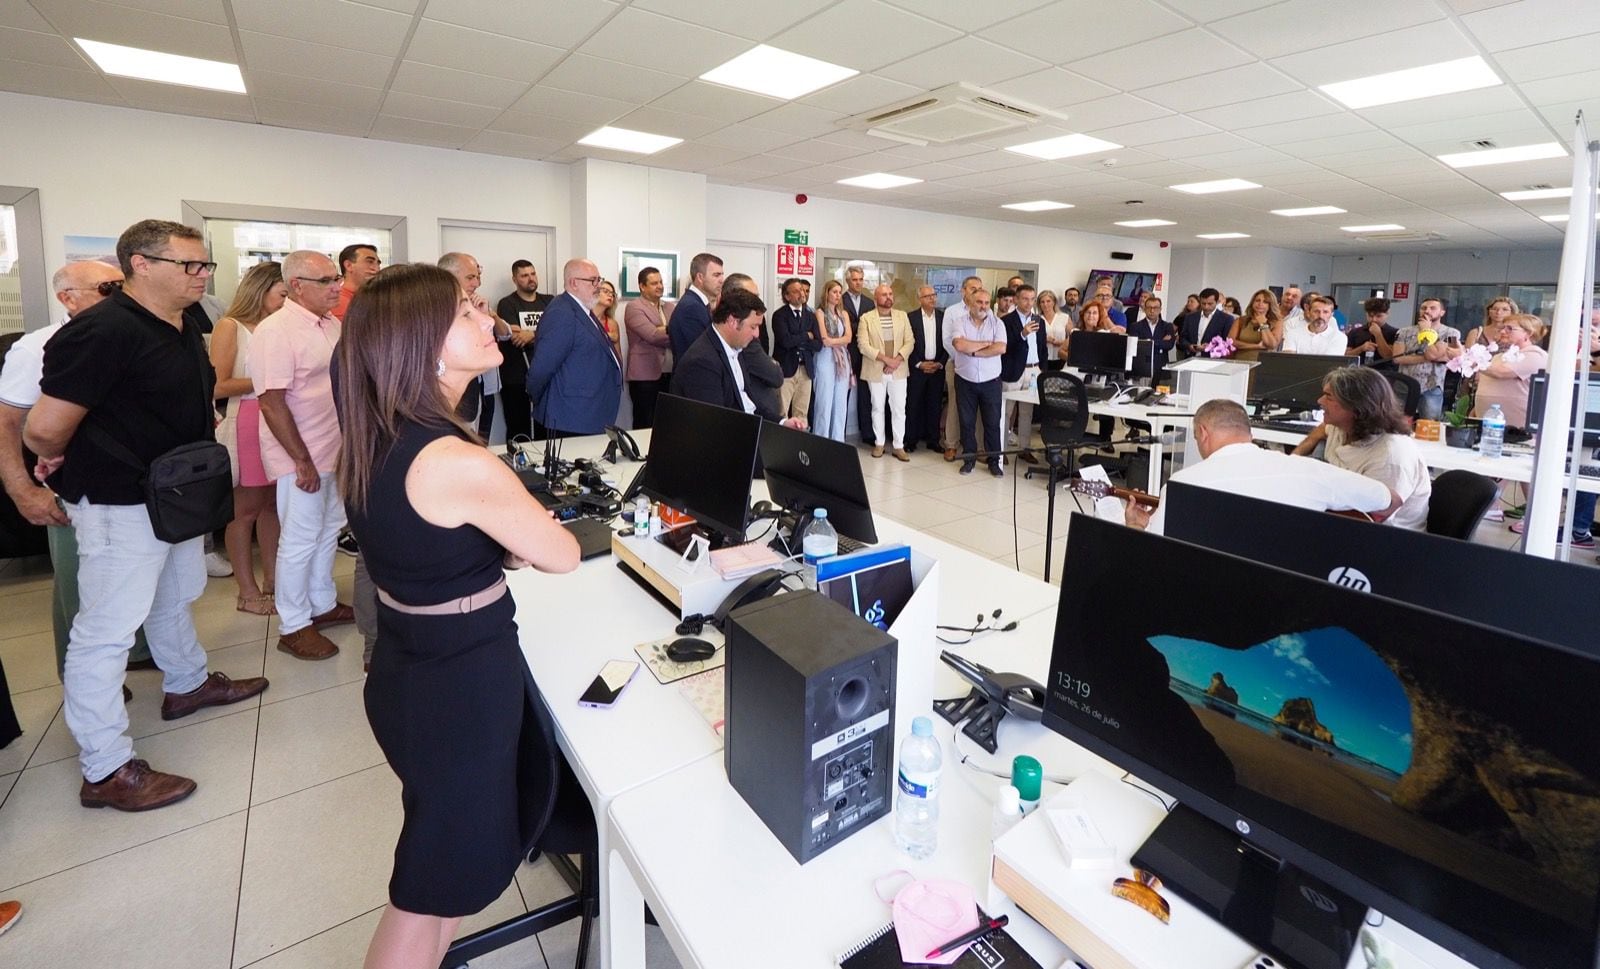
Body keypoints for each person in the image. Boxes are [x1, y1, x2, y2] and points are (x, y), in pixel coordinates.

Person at [335, 262, 581, 969]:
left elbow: (422, 542)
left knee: (444, 874)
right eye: (467, 311)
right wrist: (524, 533)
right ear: (423, 345)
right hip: (460, 686)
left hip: (412, 665)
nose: (487, 319)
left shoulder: (381, 429)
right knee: (428, 889)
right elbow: (560, 554)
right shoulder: (454, 457)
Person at [25, 218, 269, 810]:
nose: (203, 275)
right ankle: (105, 768)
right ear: (141, 264)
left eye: (204, 265)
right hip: (119, 501)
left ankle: (185, 685)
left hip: (174, 494)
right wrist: (59, 457)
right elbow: (42, 428)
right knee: (105, 633)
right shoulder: (102, 331)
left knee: (173, 596)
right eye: (190, 265)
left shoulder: (182, 324)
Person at [1, 259, 160, 683]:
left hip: (132, 488)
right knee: (79, 590)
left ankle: (137, 653)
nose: (120, 296)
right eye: (108, 288)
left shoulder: (135, 335)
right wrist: (23, 491)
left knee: (138, 583)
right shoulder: (39, 346)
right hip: (75, 489)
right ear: (66, 297)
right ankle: (84, 683)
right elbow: (7, 422)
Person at [250, 250, 356, 660]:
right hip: (302, 455)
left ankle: (322, 602)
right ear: (296, 285)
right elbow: (271, 402)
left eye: (336, 279)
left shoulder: (332, 325)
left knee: (329, 528)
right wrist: (301, 460)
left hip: (335, 448)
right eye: (327, 280)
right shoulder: (275, 331)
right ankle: (293, 624)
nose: (337, 287)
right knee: (298, 538)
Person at [1125, 399, 1395, 535]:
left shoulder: (1183, 484)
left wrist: (1138, 525)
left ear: (1203, 433)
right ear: (1249, 432)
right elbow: (1388, 499)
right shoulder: (1308, 470)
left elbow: (1156, 549)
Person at [210, 261, 285, 615]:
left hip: (278, 418)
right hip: (249, 420)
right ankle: (247, 591)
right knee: (245, 510)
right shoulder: (231, 326)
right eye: (283, 293)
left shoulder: (279, 327)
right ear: (262, 289)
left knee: (273, 506)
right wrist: (271, 381)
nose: (287, 300)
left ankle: (273, 581)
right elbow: (218, 384)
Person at [1293, 368, 1431, 530]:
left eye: (1329, 397)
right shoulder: (1341, 426)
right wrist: (1295, 458)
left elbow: (1368, 519)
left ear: (1357, 406)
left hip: (1385, 540)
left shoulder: (1391, 457)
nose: (1320, 401)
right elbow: (1322, 430)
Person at [525, 259, 623, 437]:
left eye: (599, 280)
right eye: (593, 281)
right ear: (573, 283)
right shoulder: (562, 313)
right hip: (569, 417)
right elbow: (542, 368)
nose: (598, 286)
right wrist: (538, 398)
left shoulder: (582, 310)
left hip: (586, 414)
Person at [439, 253, 513, 438]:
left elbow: (505, 334)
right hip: (456, 393)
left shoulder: (480, 304)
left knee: (480, 439)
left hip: (482, 387)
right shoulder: (439, 313)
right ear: (449, 277)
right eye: (470, 277)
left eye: (478, 277)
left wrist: (489, 315)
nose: (477, 283)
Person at [946, 287, 1007, 477]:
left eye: (986, 303)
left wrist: (972, 351)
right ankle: (969, 460)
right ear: (970, 304)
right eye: (979, 302)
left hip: (991, 382)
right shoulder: (959, 321)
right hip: (966, 381)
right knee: (967, 422)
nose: (983, 306)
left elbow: (1001, 348)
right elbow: (959, 345)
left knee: (992, 423)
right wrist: (985, 345)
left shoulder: (998, 323)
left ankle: (994, 462)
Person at [1368, 296, 1461, 419]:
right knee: (1397, 422)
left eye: (1433, 308)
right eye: (1423, 308)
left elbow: (1434, 354)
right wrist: (1434, 357)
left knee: (1429, 424)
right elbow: (1397, 358)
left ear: (1442, 312)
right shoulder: (1404, 332)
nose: (1427, 311)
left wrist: (1426, 331)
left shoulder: (1451, 333)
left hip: (1432, 385)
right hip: (1404, 384)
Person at [857, 283, 915, 460]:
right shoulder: (866, 318)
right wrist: (886, 359)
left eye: (890, 294)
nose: (888, 297)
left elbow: (910, 341)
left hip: (898, 369)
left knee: (899, 408)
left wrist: (896, 361)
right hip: (876, 369)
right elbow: (863, 346)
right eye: (884, 294)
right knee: (877, 407)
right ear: (876, 299)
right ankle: (879, 443)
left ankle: (898, 445)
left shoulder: (902, 316)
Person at [494, 259, 549, 441]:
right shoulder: (507, 304)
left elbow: (557, 332)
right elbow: (516, 337)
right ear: (515, 279)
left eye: (533, 274)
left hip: (545, 378)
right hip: (516, 379)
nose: (530, 278)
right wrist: (541, 333)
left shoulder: (549, 301)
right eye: (524, 275)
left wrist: (531, 334)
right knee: (519, 430)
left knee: (545, 429)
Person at [1473, 313, 1547, 429]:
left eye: (1509, 328)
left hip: (1516, 427)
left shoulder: (1535, 355)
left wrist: (1470, 360)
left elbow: (1501, 372)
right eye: (1503, 328)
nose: (1503, 332)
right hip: (1488, 424)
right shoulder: (1499, 357)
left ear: (1528, 333)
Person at [1000, 283, 1046, 464]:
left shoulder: (1039, 320)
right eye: (1025, 299)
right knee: (1007, 412)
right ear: (1017, 300)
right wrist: (1022, 334)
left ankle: (1024, 449)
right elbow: (1006, 346)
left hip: (1034, 370)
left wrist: (1042, 368)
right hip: (1013, 370)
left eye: (1032, 299)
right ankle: (1001, 450)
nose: (1028, 303)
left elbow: (1042, 347)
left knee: (1027, 412)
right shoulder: (1006, 321)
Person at [623, 265, 670, 429]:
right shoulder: (634, 307)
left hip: (669, 375)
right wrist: (671, 329)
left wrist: (661, 330)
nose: (660, 286)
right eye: (654, 283)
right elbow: (652, 335)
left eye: (661, 282)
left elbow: (679, 334)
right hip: (645, 376)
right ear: (642, 286)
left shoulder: (669, 306)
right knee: (645, 422)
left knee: (665, 424)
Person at [772, 277, 820, 425]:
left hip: (806, 369)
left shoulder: (810, 315)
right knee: (782, 411)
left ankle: (800, 443)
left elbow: (818, 344)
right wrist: (806, 336)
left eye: (802, 290)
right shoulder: (780, 315)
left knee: (802, 412)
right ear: (787, 296)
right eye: (796, 291)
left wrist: (798, 341)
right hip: (786, 369)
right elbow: (785, 342)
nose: (802, 294)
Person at [905, 285, 946, 452]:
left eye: (934, 295)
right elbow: (907, 343)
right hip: (917, 368)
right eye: (928, 296)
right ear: (920, 299)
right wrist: (919, 364)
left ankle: (933, 440)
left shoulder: (944, 318)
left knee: (934, 405)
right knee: (913, 404)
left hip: (937, 368)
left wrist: (940, 363)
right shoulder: (910, 318)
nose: (932, 299)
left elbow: (948, 343)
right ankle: (911, 440)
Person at [812, 280, 853, 442]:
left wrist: (835, 341)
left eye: (839, 292)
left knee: (840, 402)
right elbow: (824, 340)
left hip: (842, 359)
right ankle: (821, 439)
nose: (837, 295)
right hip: (825, 358)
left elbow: (848, 338)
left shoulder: (844, 314)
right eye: (834, 292)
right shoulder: (820, 313)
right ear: (827, 293)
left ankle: (837, 440)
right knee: (824, 400)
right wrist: (838, 341)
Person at [669, 252, 722, 363]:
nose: (721, 280)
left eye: (722, 275)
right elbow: (703, 352)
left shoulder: (698, 304)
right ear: (700, 277)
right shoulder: (691, 307)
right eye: (716, 275)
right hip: (693, 376)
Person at [1126, 294, 1177, 377]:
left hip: (1160, 367)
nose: (1152, 311)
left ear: (1160, 309)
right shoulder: (1135, 326)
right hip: (1141, 366)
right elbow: (1137, 345)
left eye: (1155, 308)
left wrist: (1148, 342)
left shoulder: (1167, 326)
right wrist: (1160, 342)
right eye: (1149, 308)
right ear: (1145, 309)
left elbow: (1169, 345)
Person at [1280, 295, 1347, 356]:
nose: (1321, 316)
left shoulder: (1339, 337)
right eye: (1316, 311)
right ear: (1308, 312)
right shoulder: (1292, 334)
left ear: (1331, 315)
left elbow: (1331, 364)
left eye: (1325, 312)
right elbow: (1289, 361)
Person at [1227, 288, 1282, 362]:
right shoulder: (1241, 320)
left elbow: (1271, 345)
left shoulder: (1277, 322)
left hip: (1264, 365)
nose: (1260, 304)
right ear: (1252, 302)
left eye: (1265, 302)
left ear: (1270, 305)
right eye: (1257, 300)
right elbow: (1230, 341)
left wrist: (1263, 324)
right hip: (1240, 363)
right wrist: (1256, 346)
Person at [1346, 297, 1400, 370]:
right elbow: (1346, 356)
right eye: (1370, 316)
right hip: (1359, 372)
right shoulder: (1355, 332)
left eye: (1378, 316)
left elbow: (1389, 356)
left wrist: (1378, 334)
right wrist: (1361, 348)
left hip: (1385, 374)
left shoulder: (1395, 332)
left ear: (1387, 314)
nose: (1374, 319)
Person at [1178, 287, 1233, 357]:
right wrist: (1189, 346)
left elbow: (1228, 342)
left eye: (1210, 304)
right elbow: (1183, 338)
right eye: (1203, 303)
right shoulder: (1190, 317)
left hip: (1214, 359)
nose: (1206, 307)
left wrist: (1211, 347)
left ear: (1217, 302)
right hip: (1191, 358)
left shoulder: (1226, 319)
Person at [332, 243, 381, 322]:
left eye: (378, 263)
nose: (377, 269)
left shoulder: (374, 299)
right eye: (370, 262)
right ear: (348, 266)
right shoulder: (336, 302)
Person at [1039, 289, 1070, 370]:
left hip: (1061, 358)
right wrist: (1044, 339)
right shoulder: (1036, 319)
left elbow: (1074, 339)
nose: (1045, 304)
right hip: (1043, 359)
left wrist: (1061, 343)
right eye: (1042, 302)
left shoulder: (1064, 317)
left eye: (1048, 301)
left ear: (1054, 302)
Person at [594, 279, 623, 364]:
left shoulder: (612, 323)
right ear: (595, 292)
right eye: (606, 291)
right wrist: (608, 335)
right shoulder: (583, 318)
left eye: (612, 294)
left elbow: (618, 355)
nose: (610, 295)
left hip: (607, 369)